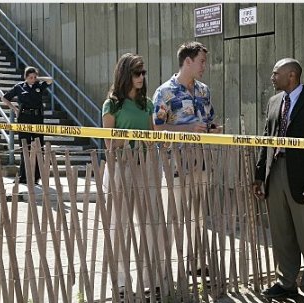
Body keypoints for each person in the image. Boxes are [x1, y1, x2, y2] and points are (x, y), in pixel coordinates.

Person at [252, 58, 304, 303]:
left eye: (276, 73)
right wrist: (259, 175)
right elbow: (266, 137)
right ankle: (286, 282)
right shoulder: (274, 102)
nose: (272, 77)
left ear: (292, 76)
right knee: (281, 231)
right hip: (275, 173)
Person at [152, 41, 222, 277]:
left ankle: (196, 264)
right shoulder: (164, 92)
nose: (205, 66)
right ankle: (162, 270)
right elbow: (156, 130)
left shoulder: (204, 90)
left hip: (201, 162)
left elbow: (209, 119)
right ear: (188, 61)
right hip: (174, 166)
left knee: (198, 216)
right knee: (170, 216)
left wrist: (212, 130)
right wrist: (188, 128)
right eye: (202, 61)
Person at [102, 53, 160, 300]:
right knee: (119, 226)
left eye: (143, 72)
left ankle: (150, 280)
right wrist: (129, 139)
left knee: (150, 223)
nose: (141, 77)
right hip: (121, 166)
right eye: (137, 73)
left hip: (145, 164)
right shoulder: (112, 104)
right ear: (125, 74)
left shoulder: (147, 103)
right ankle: (122, 282)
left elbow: (154, 135)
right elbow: (108, 141)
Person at [1, 66, 52, 184]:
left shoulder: (39, 85)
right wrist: (14, 108)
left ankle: (36, 177)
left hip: (37, 117)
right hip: (24, 117)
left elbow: (50, 80)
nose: (33, 80)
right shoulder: (19, 87)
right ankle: (23, 176)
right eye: (30, 77)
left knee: (39, 146)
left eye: (34, 77)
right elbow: (4, 98)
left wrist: (39, 78)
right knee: (25, 146)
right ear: (25, 77)